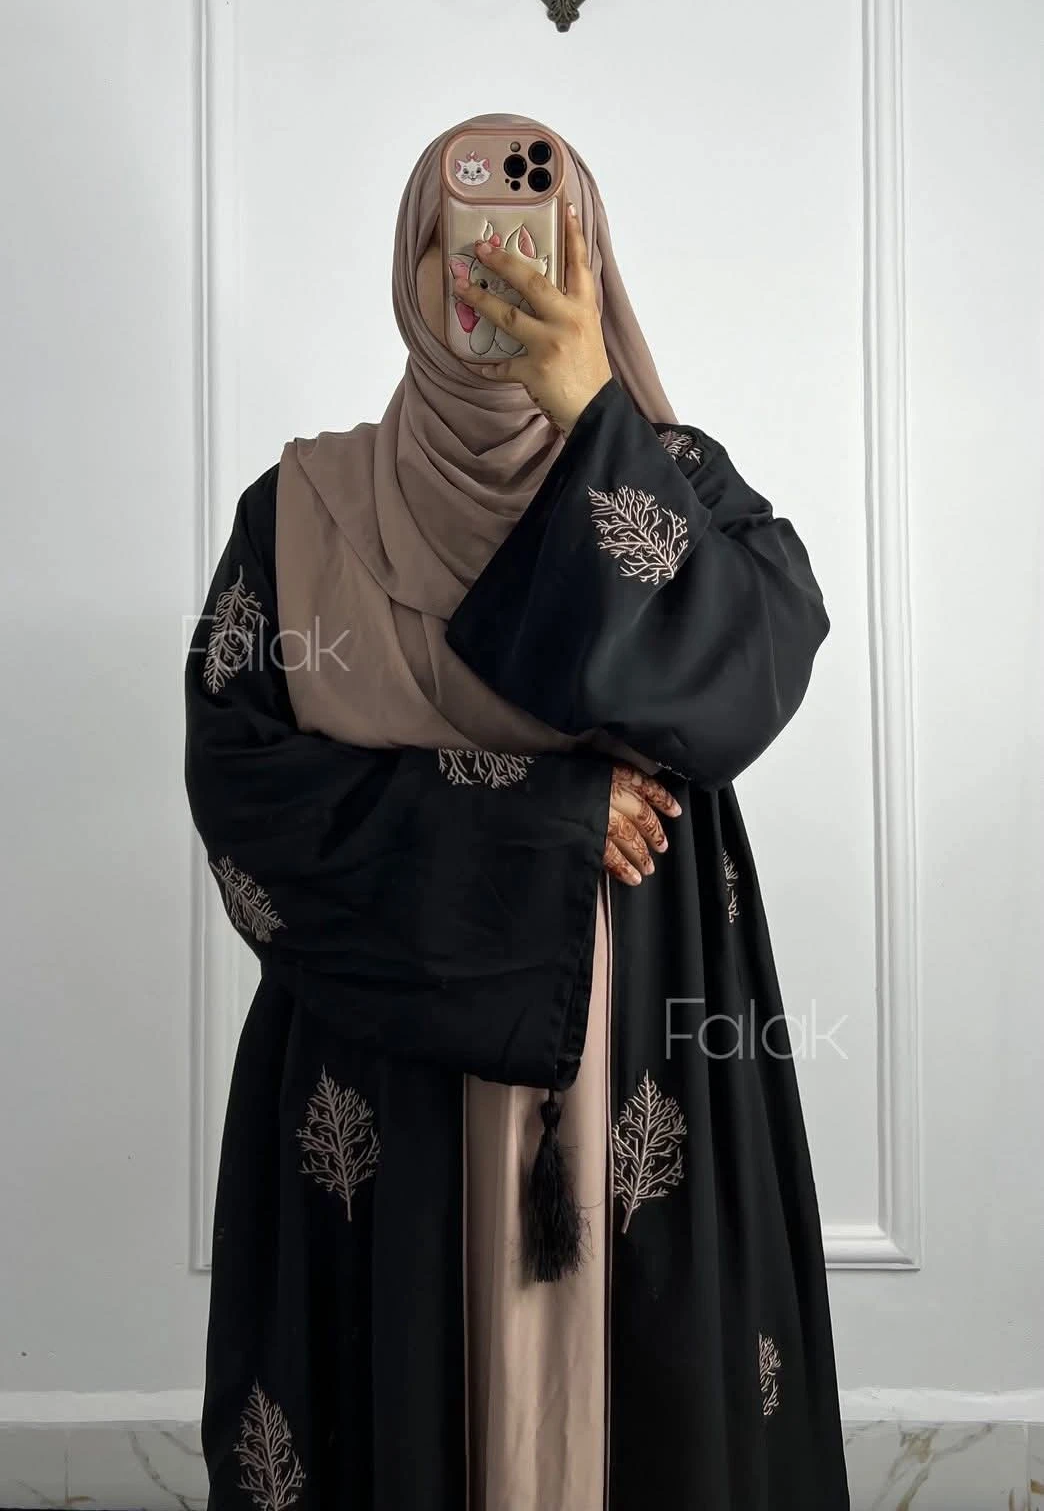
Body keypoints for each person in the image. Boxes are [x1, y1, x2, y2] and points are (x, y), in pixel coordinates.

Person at [184, 113, 851, 1511]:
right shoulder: (300, 508)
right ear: (411, 267)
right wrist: (541, 821)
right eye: (459, 237)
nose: (493, 267)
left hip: (644, 1050)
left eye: (539, 238)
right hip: (383, 1065)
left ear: (589, 262)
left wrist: (596, 411)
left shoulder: (676, 482)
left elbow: (755, 675)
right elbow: (241, 788)